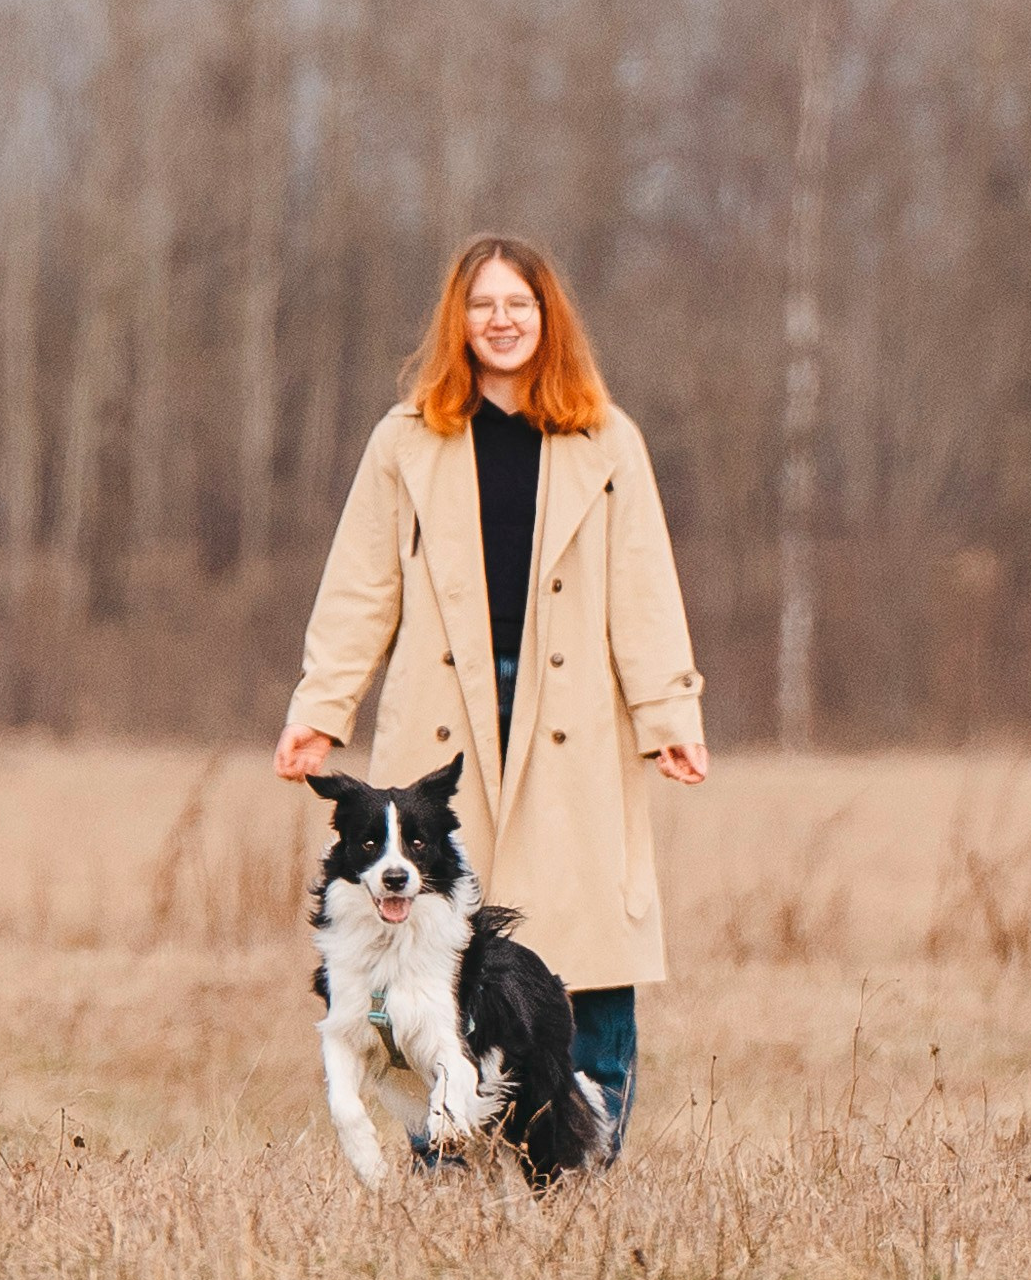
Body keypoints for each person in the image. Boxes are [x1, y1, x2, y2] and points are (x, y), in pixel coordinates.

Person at [274, 234, 708, 1158]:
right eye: (483, 305)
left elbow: (644, 586)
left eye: (519, 304)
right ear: (457, 323)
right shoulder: (404, 441)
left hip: (577, 727)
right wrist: (321, 708)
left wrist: (669, 714)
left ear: (548, 319)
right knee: (431, 952)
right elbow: (359, 587)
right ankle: (446, 1162)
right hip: (442, 723)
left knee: (587, 956)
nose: (501, 320)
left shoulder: (607, 439)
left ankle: (582, 1163)